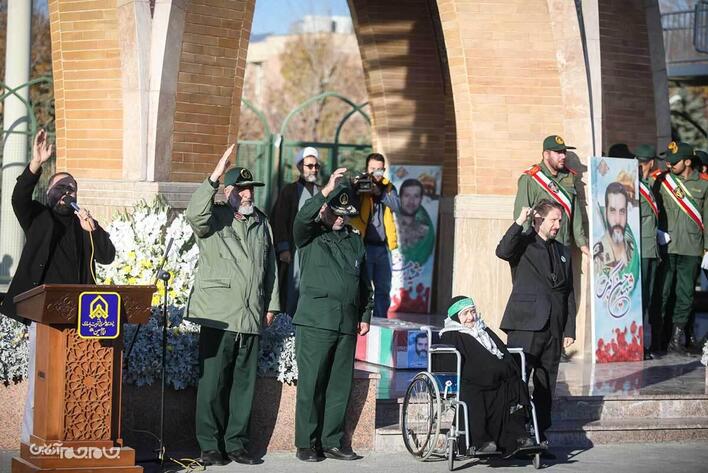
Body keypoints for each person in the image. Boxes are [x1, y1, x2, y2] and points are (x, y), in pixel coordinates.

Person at [0, 129, 116, 445]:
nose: (67, 193)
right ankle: (31, 441)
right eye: (61, 188)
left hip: (80, 316)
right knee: (42, 379)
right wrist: (36, 163)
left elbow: (107, 256)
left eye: (72, 188)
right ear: (50, 193)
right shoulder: (38, 217)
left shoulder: (83, 224)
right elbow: (18, 197)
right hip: (44, 314)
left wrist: (94, 228)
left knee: (76, 379)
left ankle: (71, 439)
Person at [185, 145, 279, 466]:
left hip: (251, 314)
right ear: (228, 192)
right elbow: (194, 214)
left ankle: (236, 444)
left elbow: (270, 267)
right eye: (241, 189)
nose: (248, 194)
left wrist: (271, 305)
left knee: (243, 386)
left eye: (251, 189)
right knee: (212, 384)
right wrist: (215, 175)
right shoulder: (214, 218)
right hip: (219, 316)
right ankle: (210, 445)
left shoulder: (261, 222)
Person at [292, 167, 373, 462]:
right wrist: (325, 190)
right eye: (336, 213)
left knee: (339, 385)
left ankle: (332, 441)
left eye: (345, 215)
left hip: (346, 323)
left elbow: (364, 283)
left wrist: (365, 314)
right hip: (316, 321)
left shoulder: (354, 240)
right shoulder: (310, 235)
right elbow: (302, 218)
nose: (340, 219)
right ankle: (306, 442)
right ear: (325, 209)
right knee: (312, 383)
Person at [496, 199, 576, 455]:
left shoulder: (563, 251)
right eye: (554, 220)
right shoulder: (524, 243)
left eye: (560, 220)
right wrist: (520, 221)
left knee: (545, 384)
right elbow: (502, 251)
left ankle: (540, 437)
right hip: (525, 324)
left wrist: (569, 329)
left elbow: (568, 293)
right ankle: (512, 436)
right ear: (539, 219)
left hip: (554, 329)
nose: (558, 225)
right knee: (517, 380)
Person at [439, 296, 535, 456]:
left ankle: (518, 438)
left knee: (516, 385)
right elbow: (456, 362)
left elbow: (501, 350)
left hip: (496, 378)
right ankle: (480, 441)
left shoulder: (484, 330)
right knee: (475, 391)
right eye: (465, 314)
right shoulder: (451, 334)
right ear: (456, 317)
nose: (471, 317)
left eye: (472, 312)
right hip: (473, 379)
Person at [653, 141, 708, 355]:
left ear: (687, 162)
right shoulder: (661, 181)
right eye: (668, 160)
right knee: (663, 293)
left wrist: (707, 248)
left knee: (685, 295)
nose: (669, 164)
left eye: (674, 161)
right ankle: (658, 338)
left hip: (691, 248)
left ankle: (676, 339)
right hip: (666, 246)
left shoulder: (703, 184)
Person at [514, 135, 589, 256]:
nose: (563, 156)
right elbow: (522, 215)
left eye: (564, 152)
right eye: (558, 152)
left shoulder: (569, 177)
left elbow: (575, 213)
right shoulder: (531, 178)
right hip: (541, 247)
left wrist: (582, 243)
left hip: (564, 245)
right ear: (546, 155)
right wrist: (527, 246)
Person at [271, 146, 321, 315]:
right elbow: (279, 221)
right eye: (309, 166)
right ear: (300, 167)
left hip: (317, 250)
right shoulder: (289, 191)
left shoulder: (321, 191)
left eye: (316, 166)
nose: (313, 169)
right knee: (293, 290)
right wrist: (283, 248)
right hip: (295, 251)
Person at [351, 153, 400, 318]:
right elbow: (349, 207)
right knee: (362, 286)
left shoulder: (388, 187)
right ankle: (361, 320)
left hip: (383, 247)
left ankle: (380, 321)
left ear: (384, 170)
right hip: (363, 245)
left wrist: (379, 193)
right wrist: (357, 188)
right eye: (372, 169)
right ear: (366, 169)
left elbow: (397, 205)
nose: (375, 173)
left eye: (379, 170)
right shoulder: (360, 184)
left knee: (383, 288)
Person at [634, 144, 661, 358]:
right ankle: (638, 345)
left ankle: (641, 344)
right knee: (640, 299)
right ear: (651, 163)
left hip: (650, 248)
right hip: (641, 250)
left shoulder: (645, 184)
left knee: (647, 298)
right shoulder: (634, 185)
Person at [593, 182, 639, 276]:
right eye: (612, 211)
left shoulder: (633, 250)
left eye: (622, 211)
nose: (618, 220)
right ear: (605, 212)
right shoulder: (598, 258)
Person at [397, 178, 435, 265]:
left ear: (421, 199)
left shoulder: (426, 231)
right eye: (407, 195)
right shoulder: (390, 225)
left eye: (416, 196)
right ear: (400, 197)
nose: (411, 201)